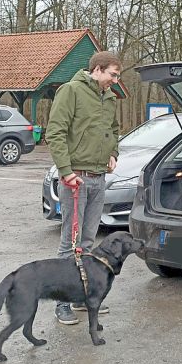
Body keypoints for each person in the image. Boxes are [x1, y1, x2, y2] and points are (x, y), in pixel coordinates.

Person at [45, 51, 122, 325]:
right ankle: (61, 303)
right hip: (75, 179)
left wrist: (113, 152)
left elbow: (114, 129)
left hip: (99, 178)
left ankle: (81, 297)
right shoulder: (71, 91)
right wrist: (66, 172)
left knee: (89, 242)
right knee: (70, 243)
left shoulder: (109, 98)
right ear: (98, 69)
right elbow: (54, 132)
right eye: (113, 74)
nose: (116, 80)